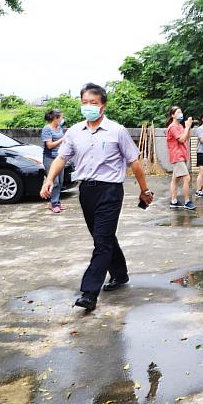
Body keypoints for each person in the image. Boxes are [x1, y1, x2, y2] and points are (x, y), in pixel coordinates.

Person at [40, 83, 154, 311]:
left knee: (102, 241)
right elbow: (61, 158)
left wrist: (144, 190)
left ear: (103, 105)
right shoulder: (73, 132)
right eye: (85, 103)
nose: (89, 107)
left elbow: (134, 162)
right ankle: (120, 274)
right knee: (104, 237)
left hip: (110, 191)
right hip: (87, 192)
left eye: (94, 103)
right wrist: (49, 179)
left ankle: (89, 293)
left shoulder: (117, 131)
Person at [165, 106, 196, 210]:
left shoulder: (180, 126)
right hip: (177, 156)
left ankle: (173, 201)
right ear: (172, 115)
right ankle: (187, 202)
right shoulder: (173, 127)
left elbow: (187, 138)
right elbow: (181, 140)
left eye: (181, 112)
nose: (180, 113)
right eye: (178, 112)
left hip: (182, 155)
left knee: (175, 179)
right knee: (187, 178)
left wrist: (188, 127)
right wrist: (187, 127)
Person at [41, 109, 66, 213]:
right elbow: (49, 145)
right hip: (50, 158)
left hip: (60, 158)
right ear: (55, 118)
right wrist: (62, 139)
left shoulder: (59, 127)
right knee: (54, 182)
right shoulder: (47, 129)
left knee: (60, 182)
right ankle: (54, 203)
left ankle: (57, 202)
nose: (62, 119)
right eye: (60, 117)